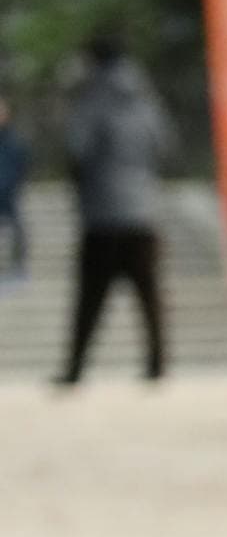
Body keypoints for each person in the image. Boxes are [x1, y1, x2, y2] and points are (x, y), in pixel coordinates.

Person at [56, 36, 175, 385]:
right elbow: (164, 145)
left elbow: (76, 149)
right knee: (149, 297)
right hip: (144, 213)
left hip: (103, 218)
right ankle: (157, 365)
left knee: (89, 299)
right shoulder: (146, 101)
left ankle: (75, 369)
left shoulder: (91, 100)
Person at [0, 94, 30, 285]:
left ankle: (18, 269)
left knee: (17, 230)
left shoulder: (15, 142)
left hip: (9, 196)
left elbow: (21, 167)